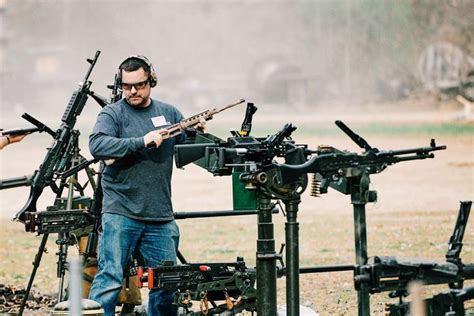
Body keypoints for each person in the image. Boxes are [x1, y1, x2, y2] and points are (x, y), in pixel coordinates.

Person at [88, 55, 205, 315]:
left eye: (139, 85)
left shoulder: (169, 112)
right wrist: (142, 141)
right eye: (127, 86)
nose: (132, 91)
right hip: (120, 212)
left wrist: (197, 131)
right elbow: (97, 145)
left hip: (160, 215)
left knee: (167, 283)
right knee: (109, 280)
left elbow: (188, 147)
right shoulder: (112, 114)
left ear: (151, 81)